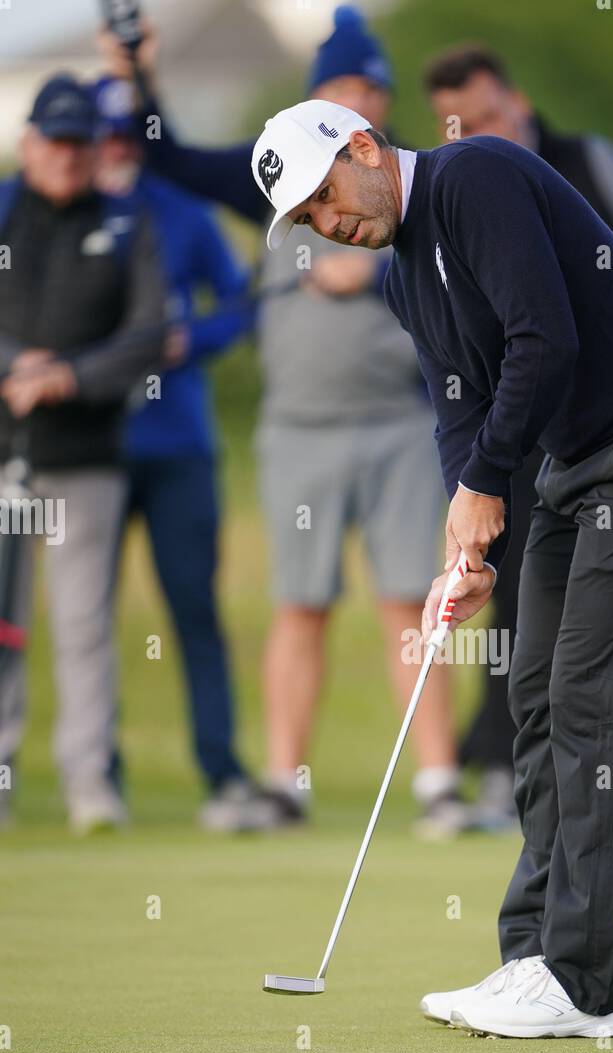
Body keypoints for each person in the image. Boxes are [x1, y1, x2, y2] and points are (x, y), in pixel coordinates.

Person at [250, 99, 613, 1037]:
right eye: (310, 221)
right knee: (534, 691)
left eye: (325, 198)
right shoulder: (403, 280)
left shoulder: (474, 176)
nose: (330, 226)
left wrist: (486, 481)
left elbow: (541, 340)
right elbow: (458, 407)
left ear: (362, 147)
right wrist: (469, 541)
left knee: (594, 699)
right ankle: (534, 955)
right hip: (574, 459)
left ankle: (588, 985)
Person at [99, 6, 465, 837]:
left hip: (402, 419)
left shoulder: (406, 177)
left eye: (373, 85)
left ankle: (439, 782)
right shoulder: (275, 171)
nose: (361, 98)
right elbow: (171, 155)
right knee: (302, 601)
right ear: (316, 97)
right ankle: (284, 784)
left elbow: (454, 277)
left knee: (412, 602)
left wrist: (367, 282)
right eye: (344, 84)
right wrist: (140, 77)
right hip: (300, 426)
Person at [423, 44, 613, 830]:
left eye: (485, 116)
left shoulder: (585, 159)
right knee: (525, 629)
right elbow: (465, 383)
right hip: (543, 435)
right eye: (457, 125)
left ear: (518, 100)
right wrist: (472, 499)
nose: (474, 135)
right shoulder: (451, 209)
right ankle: (518, 788)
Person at [93, 76, 280, 832]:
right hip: (92, 447)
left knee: (194, 610)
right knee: (85, 620)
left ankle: (222, 773)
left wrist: (187, 340)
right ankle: (96, 775)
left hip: (179, 445)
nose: (114, 152)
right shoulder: (60, 216)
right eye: (103, 138)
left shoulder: (184, 213)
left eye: (126, 137)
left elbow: (239, 304)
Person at [0, 74, 166, 832]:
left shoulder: (128, 223)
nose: (68, 157)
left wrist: (67, 377)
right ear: (31, 143)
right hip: (7, 452)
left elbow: (147, 336)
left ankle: (89, 785)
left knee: (81, 626)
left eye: (80, 144)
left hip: (85, 457)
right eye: (55, 142)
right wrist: (15, 366)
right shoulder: (4, 212)